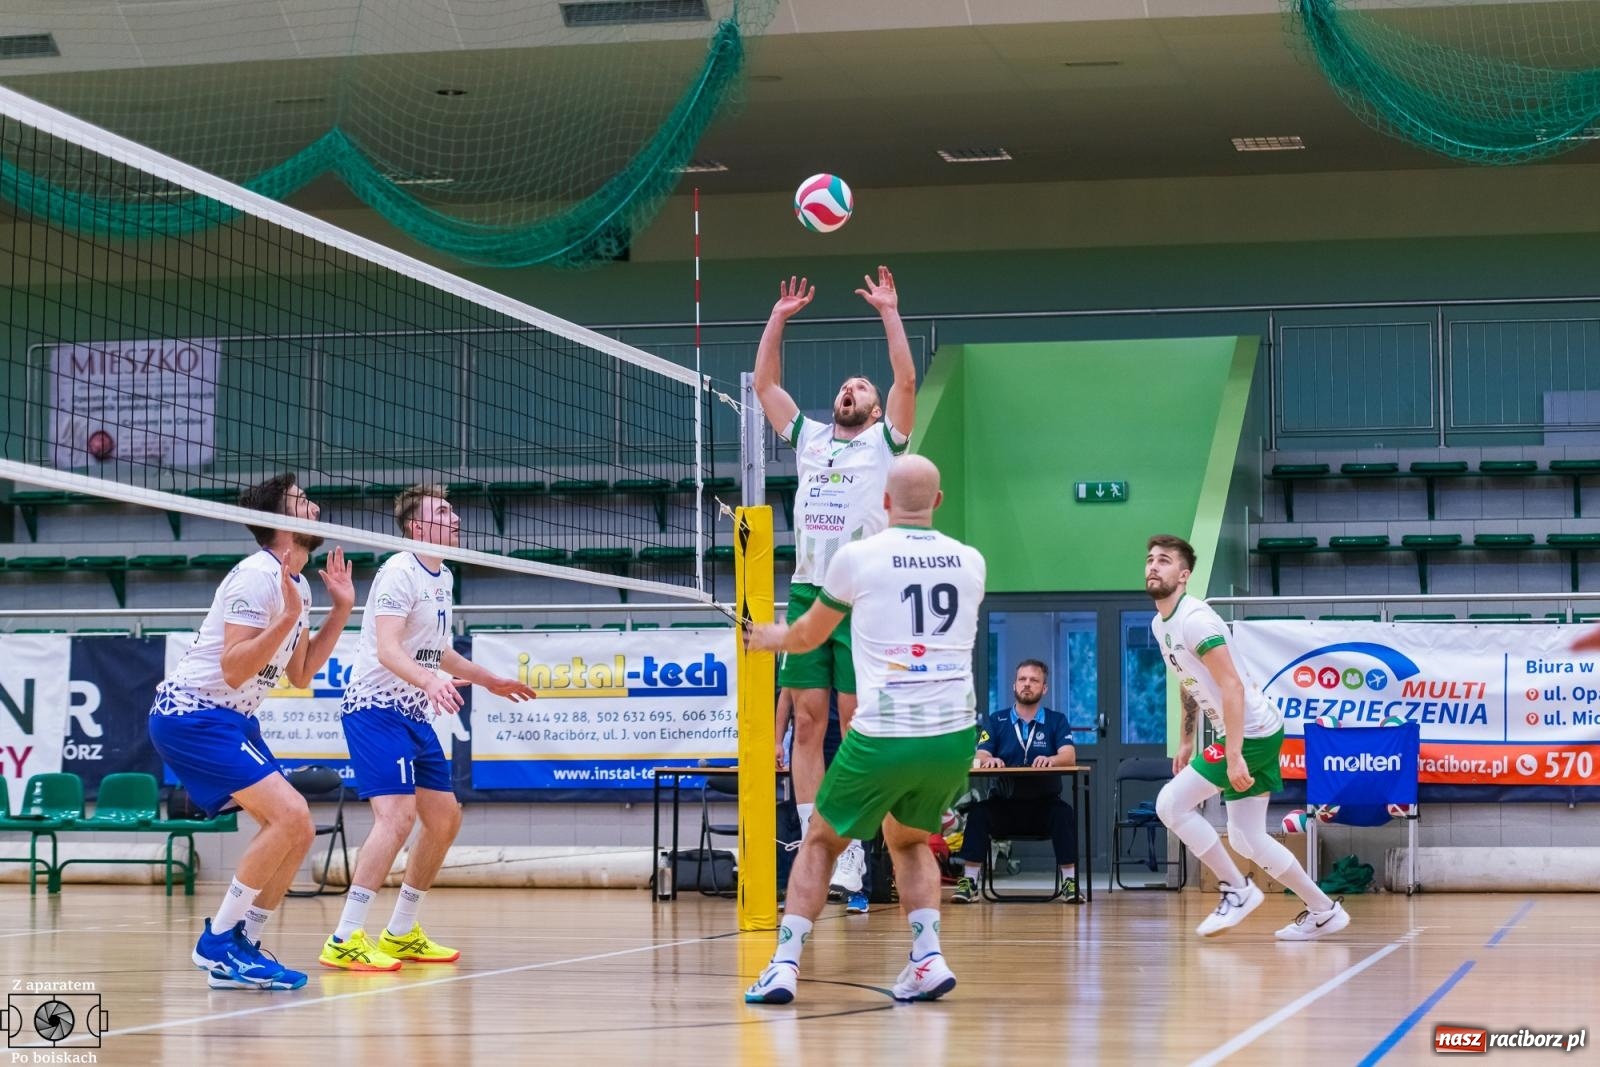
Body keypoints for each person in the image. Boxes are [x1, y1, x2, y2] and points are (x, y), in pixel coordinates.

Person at [744, 455, 985, 1004]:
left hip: (886, 731)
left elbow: (807, 636)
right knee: (907, 838)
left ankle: (783, 965)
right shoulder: (971, 561)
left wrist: (768, 638)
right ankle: (927, 959)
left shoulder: (858, 557)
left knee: (822, 842)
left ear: (883, 502)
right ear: (939, 501)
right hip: (952, 735)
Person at [753, 265, 918, 913]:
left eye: (860, 386)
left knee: (853, 720)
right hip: (807, 591)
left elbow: (906, 378)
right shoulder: (810, 437)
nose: (849, 390)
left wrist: (889, 310)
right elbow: (765, 383)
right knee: (806, 720)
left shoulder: (886, 440)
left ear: (875, 408)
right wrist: (777, 317)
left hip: (864, 594)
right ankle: (813, 833)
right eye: (845, 385)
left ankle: (853, 837)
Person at [148, 474, 354, 990]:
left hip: (231, 718)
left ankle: (242, 944)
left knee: (298, 828)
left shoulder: (299, 586)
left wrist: (342, 612)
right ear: (281, 521)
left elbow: (302, 674)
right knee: (291, 815)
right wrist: (285, 619)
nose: (315, 504)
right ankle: (217, 941)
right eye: (302, 500)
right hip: (191, 713)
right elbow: (236, 667)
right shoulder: (255, 576)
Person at [320, 485, 537, 971]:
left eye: (453, 509)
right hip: (374, 708)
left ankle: (400, 931)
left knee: (443, 818)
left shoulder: (444, 577)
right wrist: (429, 680)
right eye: (443, 511)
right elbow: (388, 649)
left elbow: (436, 650)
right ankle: (345, 935)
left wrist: (491, 680)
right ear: (417, 527)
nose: (455, 517)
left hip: (413, 711)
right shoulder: (398, 571)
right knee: (396, 818)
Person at [1145, 533, 1350, 941]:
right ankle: (1324, 910)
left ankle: (1236, 890)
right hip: (1253, 730)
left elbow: (1232, 686)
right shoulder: (1160, 624)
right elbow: (1190, 680)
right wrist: (1187, 739)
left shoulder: (1195, 620)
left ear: (1184, 575)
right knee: (1246, 837)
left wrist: (1234, 754)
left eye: (1164, 561)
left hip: (1250, 732)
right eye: (1150, 559)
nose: (1153, 566)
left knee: (1170, 805)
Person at [953, 659, 1078, 903]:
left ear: (1044, 688)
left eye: (1034, 680)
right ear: (1014, 685)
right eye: (1022, 679)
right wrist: (989, 760)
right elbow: (981, 753)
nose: (1027, 685)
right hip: (1004, 806)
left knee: (1064, 814)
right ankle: (969, 882)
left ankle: (1070, 882)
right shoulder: (996, 720)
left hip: (1044, 806)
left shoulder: (1056, 720)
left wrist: (1051, 759)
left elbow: (1069, 755)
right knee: (978, 814)